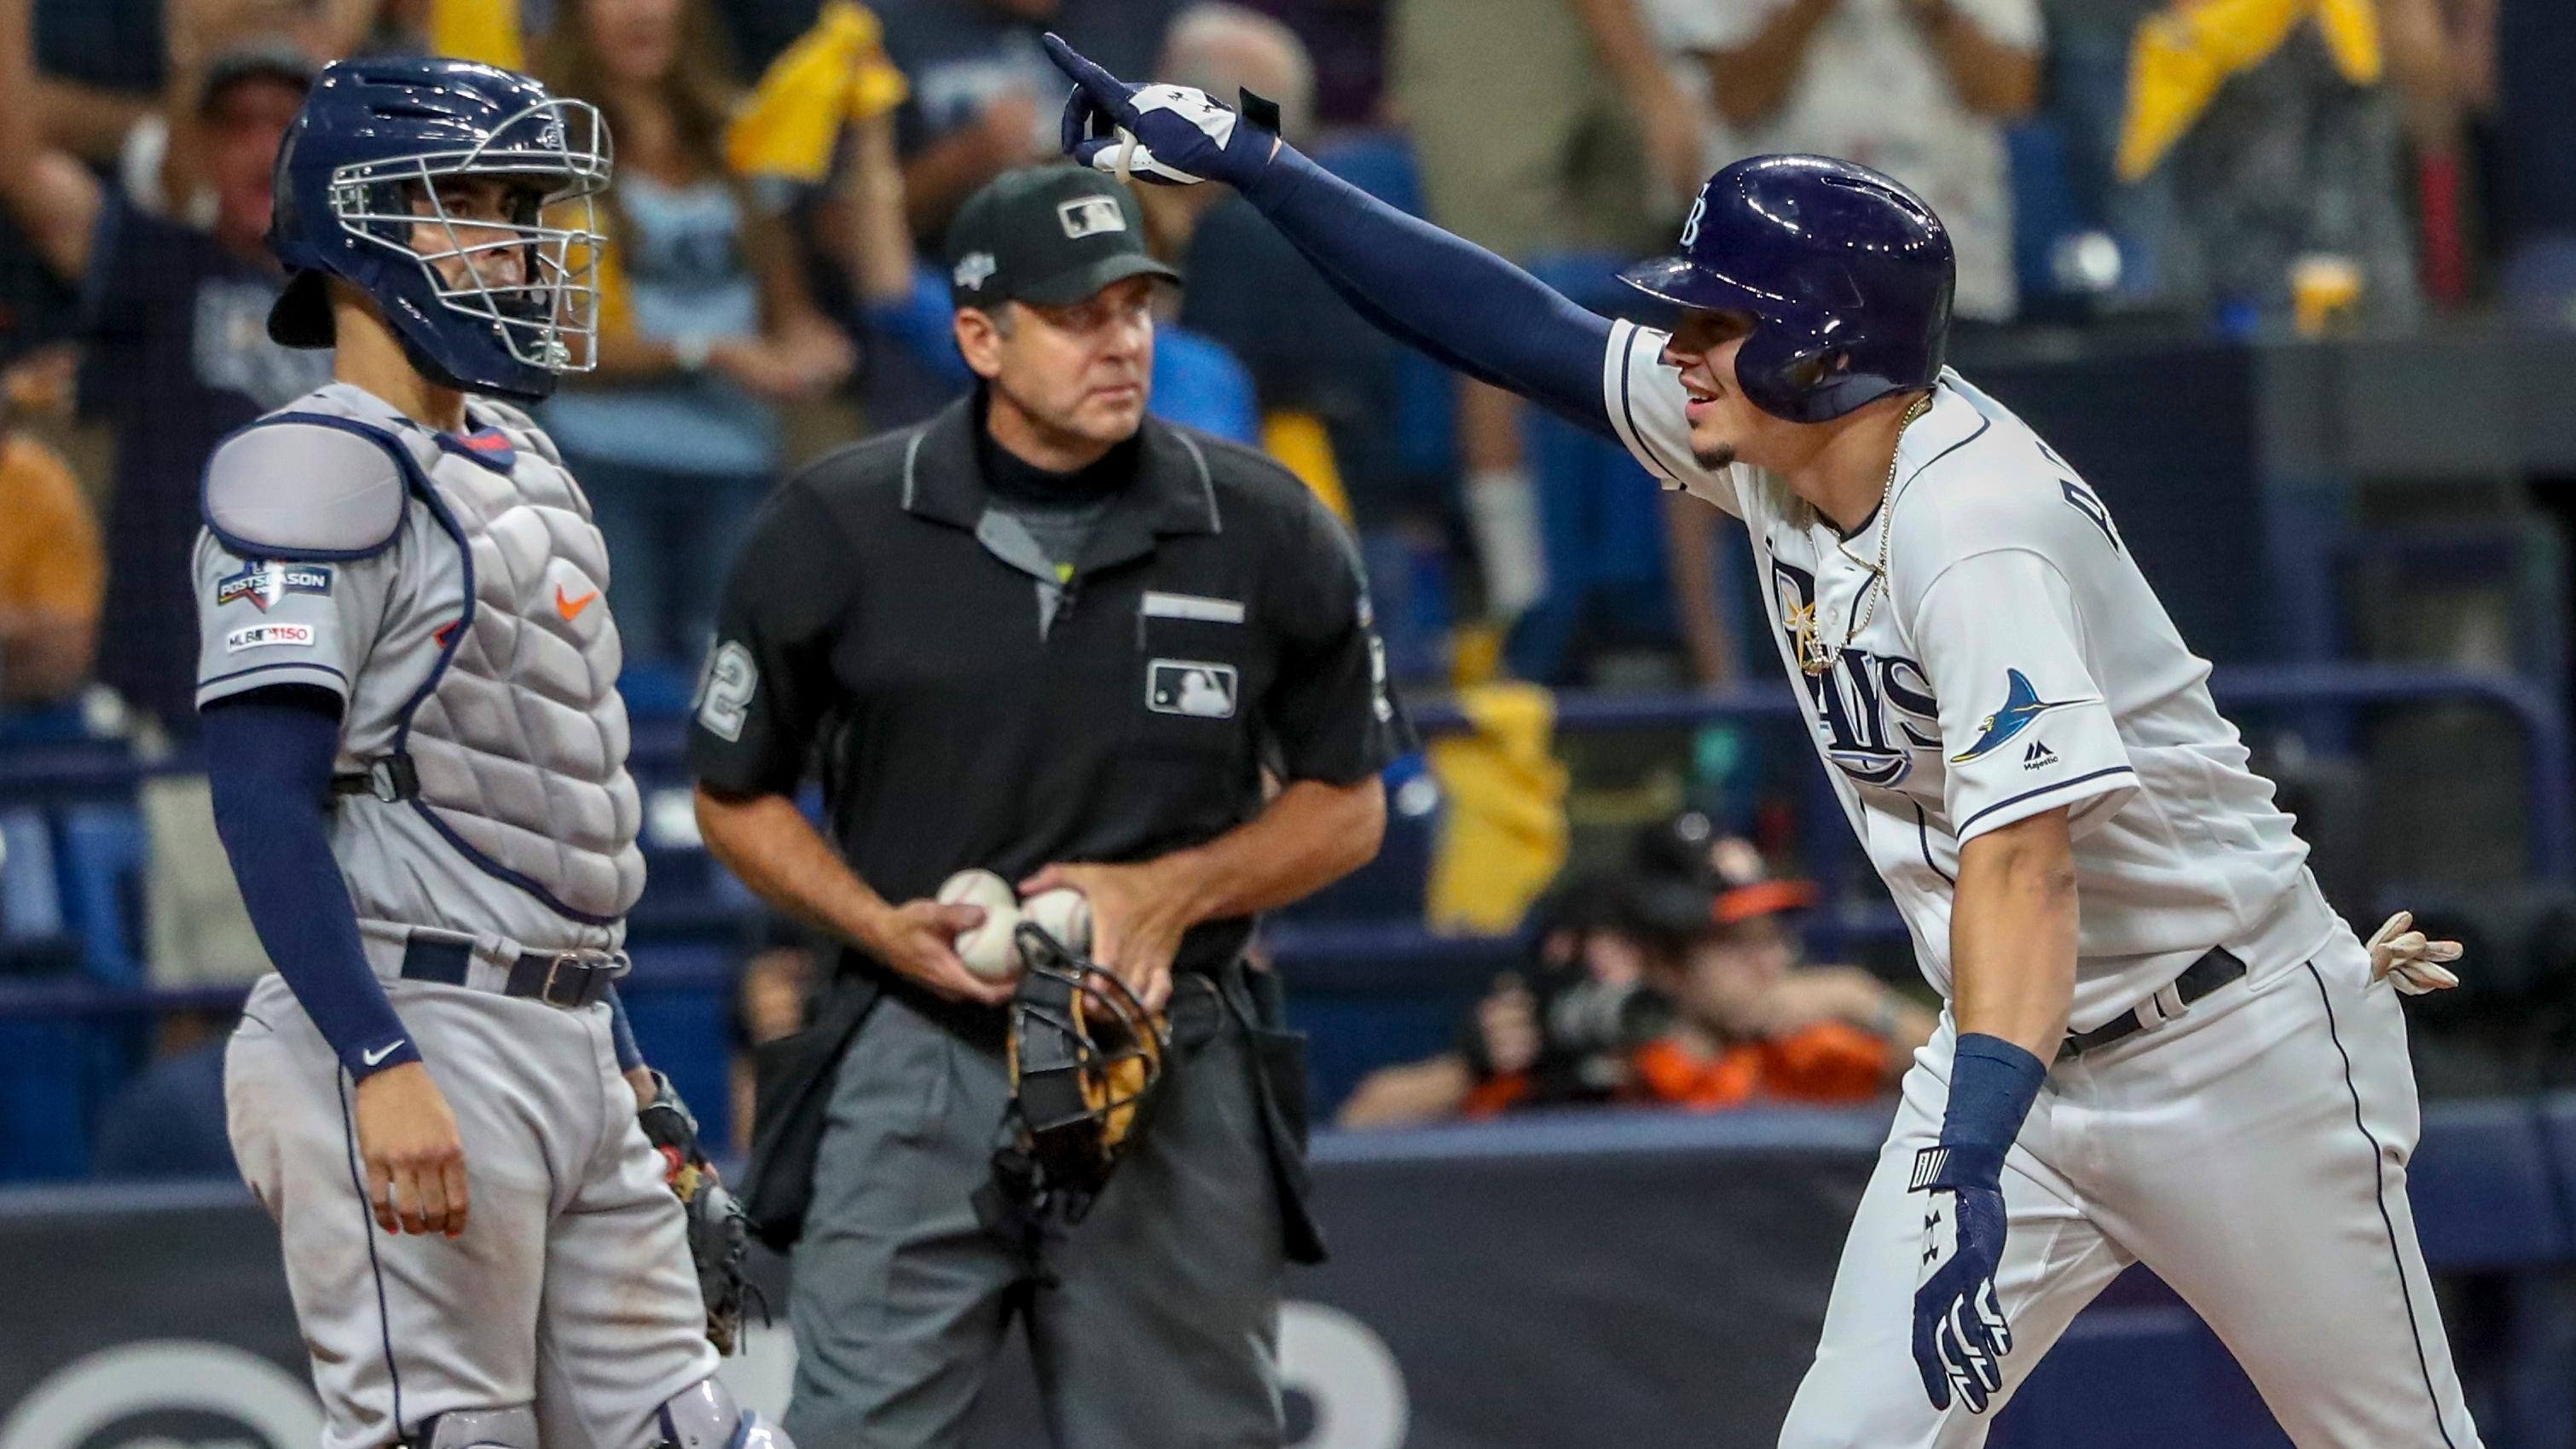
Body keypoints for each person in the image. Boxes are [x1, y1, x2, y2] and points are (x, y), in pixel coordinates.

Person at [1040, 50, 2480, 1446]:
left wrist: (1970, 1147)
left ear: (1824, 346)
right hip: (2012, 1053)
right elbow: (1514, 331)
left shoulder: (1972, 529)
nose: (1678, 346)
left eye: (1714, 322)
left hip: (2228, 1047)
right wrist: (1266, 169)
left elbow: (2027, 869)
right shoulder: (1793, 438)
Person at [688, 164, 1410, 1449]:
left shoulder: (1263, 525)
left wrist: (1164, 891)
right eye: (1079, 314)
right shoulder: (837, 524)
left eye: (1136, 307)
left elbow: (1348, 805)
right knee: (856, 1432)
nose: (1121, 340)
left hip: (1165, 1041)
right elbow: (734, 795)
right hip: (913, 1044)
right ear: (980, 335)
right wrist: (869, 918)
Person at [198, 57, 782, 1449]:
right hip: (407, 1006)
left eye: (524, 204)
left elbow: (548, 819)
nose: (518, 241)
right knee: (447, 1432)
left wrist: (624, 1066)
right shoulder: (312, 462)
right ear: (357, 224)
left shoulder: (517, 449)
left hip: (566, 1024)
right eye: (469, 202)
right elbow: (260, 794)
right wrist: (377, 1054)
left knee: (692, 1430)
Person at [0, 0, 329, 739]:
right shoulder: (160, 269)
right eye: (236, 125)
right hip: (181, 708)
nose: (259, 147)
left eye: (283, 125)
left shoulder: (373, 306)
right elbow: (16, 159)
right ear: (201, 147)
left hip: (343, 721)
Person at [531, 0, 857, 663]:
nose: (641, 12)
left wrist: (812, 345)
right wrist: (711, 351)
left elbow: (784, 309)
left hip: (735, 460)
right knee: (615, 686)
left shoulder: (741, 135)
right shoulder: (546, 146)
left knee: (729, 691)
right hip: (605, 463)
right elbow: (562, 341)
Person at [1658, 0, 2040, 327]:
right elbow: (1736, 98)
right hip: (1788, 280)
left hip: (1949, 275)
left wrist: (1933, 8)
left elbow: (2011, 94)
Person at [1621, 854, 1936, 1110]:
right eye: (1737, 943)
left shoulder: (1806, 1053)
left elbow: (1962, 1076)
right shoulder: (1633, 1070)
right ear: (1667, 965)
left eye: (1772, 940)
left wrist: (1858, 999)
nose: (1769, 965)